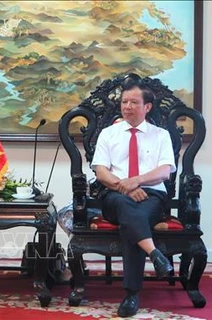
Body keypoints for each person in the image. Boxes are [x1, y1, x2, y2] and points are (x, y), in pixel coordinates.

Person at [90, 80, 175, 317]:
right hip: (114, 195)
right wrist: (124, 187)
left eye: (133, 102)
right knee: (128, 209)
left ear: (147, 107)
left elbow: (164, 172)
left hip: (152, 196)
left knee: (132, 220)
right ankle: (155, 255)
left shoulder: (161, 136)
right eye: (124, 102)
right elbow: (101, 172)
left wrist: (136, 181)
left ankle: (132, 294)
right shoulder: (109, 134)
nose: (127, 106)